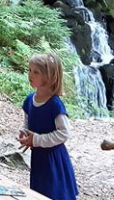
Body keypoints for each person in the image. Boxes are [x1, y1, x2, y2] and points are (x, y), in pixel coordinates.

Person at [18, 53, 78, 200]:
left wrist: (37, 140)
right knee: (39, 194)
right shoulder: (29, 100)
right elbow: (28, 123)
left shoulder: (55, 105)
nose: (30, 74)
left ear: (48, 77)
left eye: (36, 72)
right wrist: (25, 135)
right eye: (29, 70)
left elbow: (64, 133)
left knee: (54, 193)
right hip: (39, 158)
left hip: (54, 160)